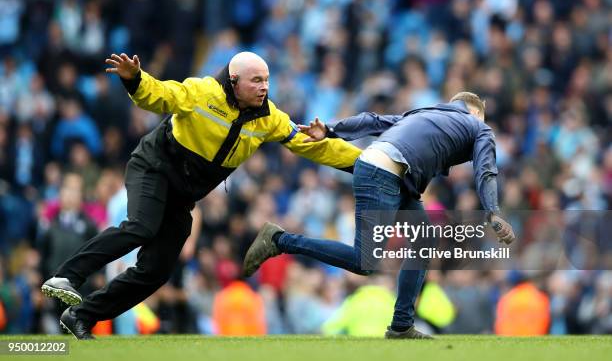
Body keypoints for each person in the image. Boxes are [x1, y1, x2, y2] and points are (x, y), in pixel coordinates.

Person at [41, 51, 361, 339]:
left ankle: (82, 315)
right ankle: (66, 277)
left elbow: (313, 145)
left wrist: (366, 166)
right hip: (153, 168)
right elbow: (163, 95)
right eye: (256, 80)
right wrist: (136, 78)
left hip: (182, 196)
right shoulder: (203, 91)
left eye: (267, 80)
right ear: (234, 82)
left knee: (157, 271)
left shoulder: (270, 118)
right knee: (141, 227)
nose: (265, 86)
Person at [243, 92, 516, 339]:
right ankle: (279, 240)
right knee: (365, 262)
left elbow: (373, 121)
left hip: (384, 170)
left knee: (424, 240)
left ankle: (401, 325)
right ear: (477, 111)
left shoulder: (422, 113)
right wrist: (492, 211)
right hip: (384, 174)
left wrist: (330, 128)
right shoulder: (479, 125)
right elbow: (486, 171)